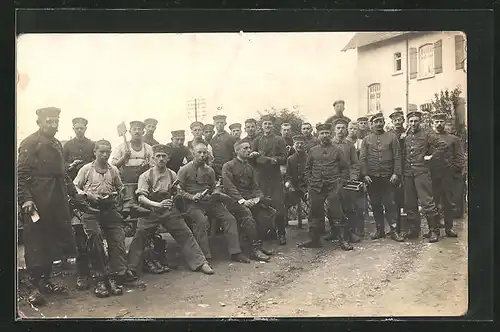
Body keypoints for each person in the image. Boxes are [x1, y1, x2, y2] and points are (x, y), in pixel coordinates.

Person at [18, 107, 78, 306]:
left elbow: (63, 173)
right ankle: (33, 286)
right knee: (36, 243)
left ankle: (46, 280)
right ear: (39, 123)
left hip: (57, 199)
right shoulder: (30, 143)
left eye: (55, 121)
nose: (53, 125)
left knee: (52, 241)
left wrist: (75, 192)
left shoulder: (57, 144)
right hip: (38, 199)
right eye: (49, 122)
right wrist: (26, 199)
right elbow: (21, 175)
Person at [127, 144, 214, 275]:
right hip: (150, 210)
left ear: (168, 159)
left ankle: (200, 262)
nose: (161, 159)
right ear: (153, 159)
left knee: (185, 233)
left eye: (164, 156)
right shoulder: (145, 176)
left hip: (168, 209)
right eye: (158, 156)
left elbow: (177, 192)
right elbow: (141, 198)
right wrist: (157, 205)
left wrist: (175, 197)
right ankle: (130, 268)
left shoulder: (172, 174)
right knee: (140, 235)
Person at [74, 140, 141, 297]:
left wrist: (117, 197)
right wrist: (87, 195)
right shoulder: (86, 169)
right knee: (95, 238)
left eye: (107, 152)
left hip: (109, 209)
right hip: (90, 209)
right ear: (95, 152)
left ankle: (117, 274)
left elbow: (121, 187)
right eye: (101, 152)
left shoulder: (113, 170)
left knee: (118, 236)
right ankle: (100, 277)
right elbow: (74, 187)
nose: (105, 155)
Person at [177, 143, 249, 263]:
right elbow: (179, 190)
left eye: (204, 153)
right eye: (199, 152)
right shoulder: (184, 170)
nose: (202, 155)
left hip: (209, 201)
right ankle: (204, 256)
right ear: (193, 153)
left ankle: (235, 252)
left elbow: (213, 187)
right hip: (192, 204)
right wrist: (191, 196)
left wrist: (215, 192)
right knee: (201, 220)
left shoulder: (209, 170)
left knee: (229, 218)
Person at [222, 140, 277, 262]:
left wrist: (257, 198)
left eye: (249, 148)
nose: (248, 151)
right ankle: (253, 250)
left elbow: (255, 187)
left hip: (250, 200)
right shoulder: (228, 166)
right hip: (234, 201)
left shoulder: (250, 168)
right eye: (245, 148)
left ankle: (258, 245)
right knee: (247, 215)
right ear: (237, 151)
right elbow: (228, 187)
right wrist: (242, 200)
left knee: (269, 213)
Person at [298, 123, 350, 249]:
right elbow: (307, 169)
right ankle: (314, 240)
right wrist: (310, 182)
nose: (325, 135)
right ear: (318, 135)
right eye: (322, 133)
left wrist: (340, 183)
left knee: (337, 212)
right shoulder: (313, 150)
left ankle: (343, 240)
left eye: (327, 133)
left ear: (330, 134)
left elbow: (344, 169)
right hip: (316, 186)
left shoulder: (337, 150)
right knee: (314, 213)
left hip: (333, 186)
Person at [403, 111, 448, 243]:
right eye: (411, 121)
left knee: (427, 202)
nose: (413, 123)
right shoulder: (406, 136)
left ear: (420, 121)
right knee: (410, 202)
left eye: (416, 121)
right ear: (408, 122)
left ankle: (434, 231)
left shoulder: (427, 134)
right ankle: (414, 230)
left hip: (422, 171)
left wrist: (431, 157)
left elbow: (442, 145)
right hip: (408, 173)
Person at [359, 112, 404, 242]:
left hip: (388, 177)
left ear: (384, 123)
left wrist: (396, 173)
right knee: (375, 204)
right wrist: (365, 174)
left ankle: (394, 231)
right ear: (371, 124)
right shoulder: (367, 139)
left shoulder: (392, 137)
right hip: (372, 177)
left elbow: (397, 156)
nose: (378, 124)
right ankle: (380, 230)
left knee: (390, 204)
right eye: (375, 122)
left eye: (380, 121)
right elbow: (362, 158)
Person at [62, 117, 95, 291]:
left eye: (82, 128)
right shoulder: (67, 146)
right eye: (77, 128)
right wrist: (70, 164)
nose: (79, 131)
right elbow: (61, 165)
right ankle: (76, 266)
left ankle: (97, 268)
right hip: (71, 186)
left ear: (86, 128)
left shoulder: (91, 145)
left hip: (89, 185)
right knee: (76, 229)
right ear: (73, 128)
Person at [250, 115, 288, 245]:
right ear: (262, 126)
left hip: (275, 177)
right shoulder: (256, 141)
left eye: (270, 124)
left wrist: (273, 160)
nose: (267, 126)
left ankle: (281, 233)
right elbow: (251, 160)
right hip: (261, 177)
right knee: (262, 205)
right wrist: (254, 156)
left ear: (273, 126)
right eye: (265, 124)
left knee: (278, 205)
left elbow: (284, 158)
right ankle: (267, 232)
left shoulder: (279, 140)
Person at [427, 113, 465, 238]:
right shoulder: (429, 139)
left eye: (441, 122)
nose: (439, 124)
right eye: (436, 122)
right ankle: (434, 229)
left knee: (448, 202)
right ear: (432, 124)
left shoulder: (453, 139)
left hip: (447, 175)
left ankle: (449, 228)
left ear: (445, 123)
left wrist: (452, 171)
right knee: (433, 202)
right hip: (433, 175)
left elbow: (459, 158)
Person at [110, 121, 153, 218]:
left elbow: (153, 167)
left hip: (143, 180)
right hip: (127, 180)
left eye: (139, 129)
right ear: (130, 131)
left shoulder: (148, 148)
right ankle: (128, 206)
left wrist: (147, 166)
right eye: (134, 129)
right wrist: (124, 158)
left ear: (143, 132)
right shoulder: (122, 147)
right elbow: (113, 166)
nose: (137, 131)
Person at [329, 118, 362, 244]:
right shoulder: (330, 144)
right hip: (332, 181)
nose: (340, 130)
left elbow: (355, 163)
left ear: (346, 129)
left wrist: (353, 177)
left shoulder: (349, 146)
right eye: (338, 128)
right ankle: (334, 232)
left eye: (343, 128)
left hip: (347, 181)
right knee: (333, 208)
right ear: (334, 130)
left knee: (348, 207)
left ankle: (350, 233)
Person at [388, 108, 410, 235]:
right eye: (395, 120)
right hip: (394, 169)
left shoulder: (408, 133)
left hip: (407, 168)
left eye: (399, 120)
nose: (397, 122)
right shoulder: (389, 134)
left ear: (403, 120)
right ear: (392, 121)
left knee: (408, 199)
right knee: (394, 199)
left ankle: (410, 228)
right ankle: (395, 228)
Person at [346, 121, 367, 236]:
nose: (353, 131)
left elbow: (364, 158)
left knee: (360, 204)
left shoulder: (362, 142)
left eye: (355, 129)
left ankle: (360, 229)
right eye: (351, 128)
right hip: (347, 176)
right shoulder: (344, 143)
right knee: (348, 204)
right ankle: (350, 229)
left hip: (359, 176)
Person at [284, 135, 308, 223]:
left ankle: (315, 225)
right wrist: (289, 185)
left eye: (302, 143)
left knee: (314, 202)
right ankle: (285, 222)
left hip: (307, 186)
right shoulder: (290, 159)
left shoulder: (309, 157)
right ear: (294, 145)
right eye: (297, 143)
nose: (299, 145)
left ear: (305, 145)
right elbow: (288, 175)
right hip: (295, 186)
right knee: (285, 198)